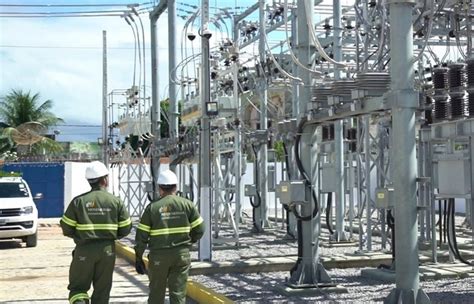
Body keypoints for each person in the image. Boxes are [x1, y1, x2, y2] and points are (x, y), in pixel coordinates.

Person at [60, 161, 132, 304]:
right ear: (105, 180)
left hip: (84, 249)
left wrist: (78, 236)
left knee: (78, 289)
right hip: (107, 251)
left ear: (89, 181)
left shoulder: (78, 202)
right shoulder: (115, 202)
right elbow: (126, 228)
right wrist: (111, 236)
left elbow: (66, 227)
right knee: (102, 291)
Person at [135, 169, 205, 304]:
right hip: (181, 255)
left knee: (156, 293)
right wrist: (190, 240)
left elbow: (141, 236)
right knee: (178, 294)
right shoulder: (187, 204)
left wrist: (138, 257)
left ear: (160, 188)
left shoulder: (152, 208)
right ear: (176, 187)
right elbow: (200, 228)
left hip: (158, 257)